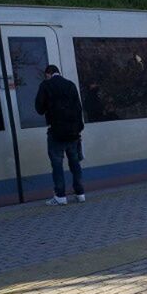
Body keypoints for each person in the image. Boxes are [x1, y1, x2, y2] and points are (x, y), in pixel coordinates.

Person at [35, 65, 85, 205]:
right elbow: (78, 108)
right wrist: (78, 128)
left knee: (57, 164)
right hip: (73, 133)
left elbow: (39, 108)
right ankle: (80, 193)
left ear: (48, 74)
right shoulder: (70, 85)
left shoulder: (46, 85)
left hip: (56, 132)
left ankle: (60, 196)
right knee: (75, 163)